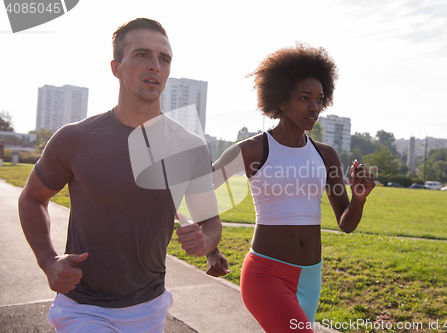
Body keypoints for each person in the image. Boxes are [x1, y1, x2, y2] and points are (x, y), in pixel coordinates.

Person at [18, 18, 222, 332]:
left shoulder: (189, 146)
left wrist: (205, 241)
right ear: (116, 67)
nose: (155, 65)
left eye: (164, 58)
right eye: (142, 54)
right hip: (82, 309)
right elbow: (32, 199)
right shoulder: (75, 139)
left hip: (151, 308)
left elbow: (211, 222)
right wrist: (48, 261)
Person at [210, 43, 375, 332]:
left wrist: (359, 199)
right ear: (281, 100)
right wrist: (211, 248)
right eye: (304, 98)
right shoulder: (252, 150)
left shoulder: (327, 155)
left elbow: (346, 224)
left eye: (320, 100)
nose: (314, 107)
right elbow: (197, 190)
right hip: (265, 274)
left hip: (311, 276)